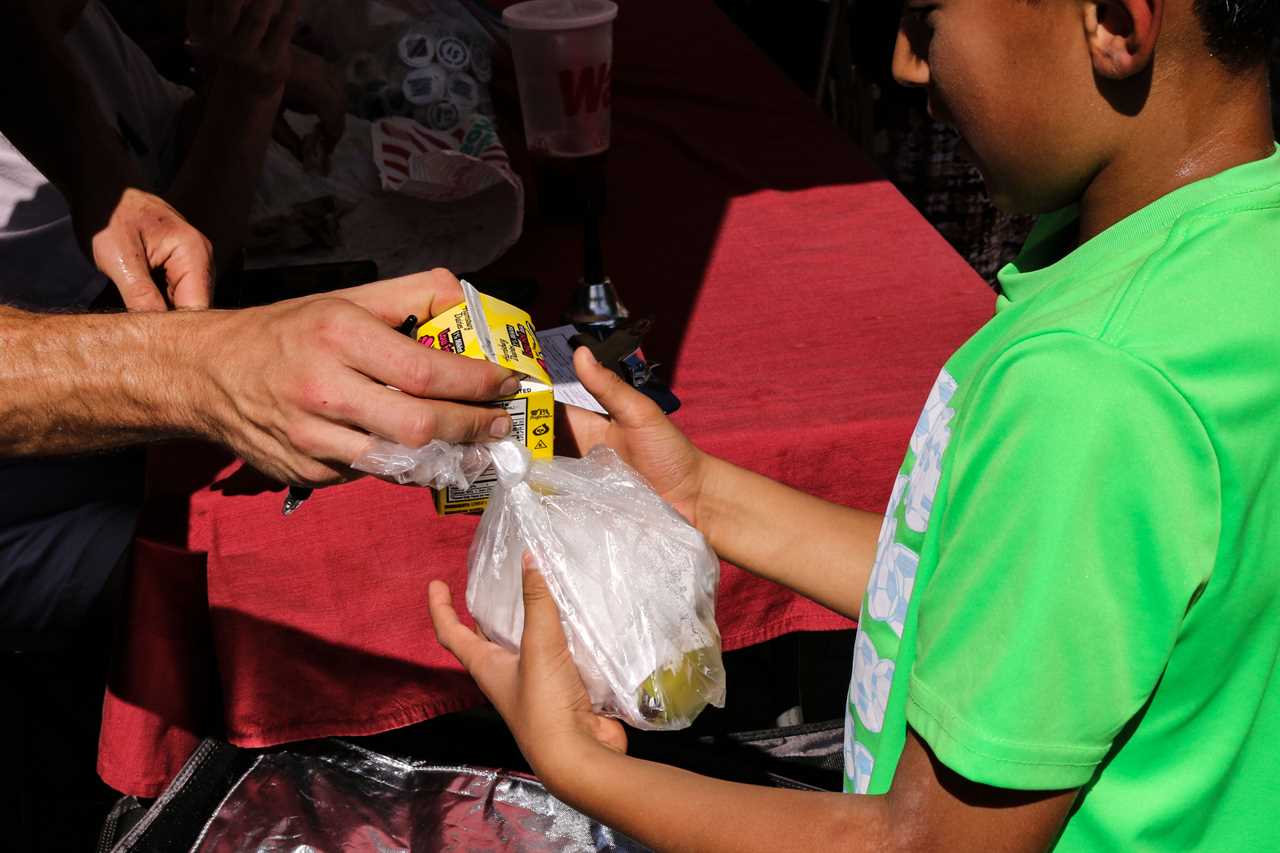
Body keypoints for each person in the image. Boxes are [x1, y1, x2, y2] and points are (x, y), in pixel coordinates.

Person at [429, 0, 1280, 849]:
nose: (908, 67)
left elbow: (926, 844)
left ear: (1114, 23)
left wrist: (577, 761)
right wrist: (698, 494)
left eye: (927, 18)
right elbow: (980, 591)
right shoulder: (1229, 260)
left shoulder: (1090, 380)